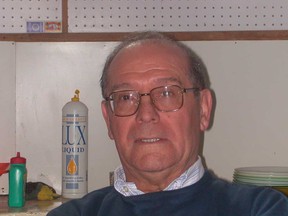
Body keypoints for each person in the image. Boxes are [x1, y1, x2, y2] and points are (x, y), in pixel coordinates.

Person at [48, 31, 288, 216]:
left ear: (203, 109)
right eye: (125, 97)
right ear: (108, 120)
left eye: (166, 93)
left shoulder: (261, 209)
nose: (146, 114)